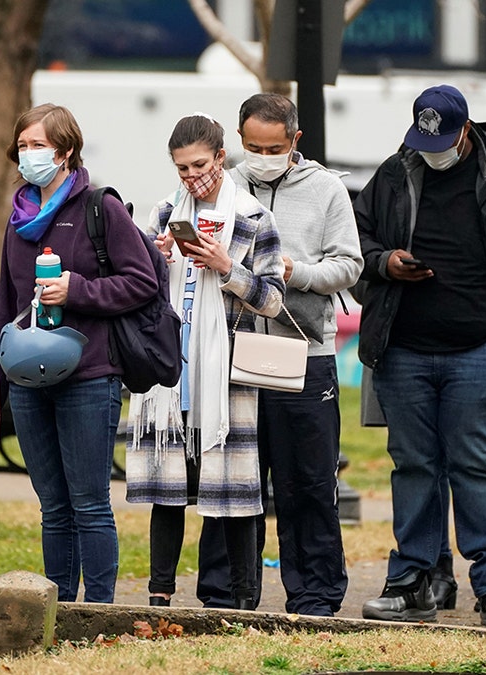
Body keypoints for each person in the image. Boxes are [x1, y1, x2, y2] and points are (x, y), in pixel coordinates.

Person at [353, 84, 486, 628]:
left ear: (466, 131)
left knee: (476, 466)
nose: (434, 150)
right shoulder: (394, 173)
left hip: (481, 350)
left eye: (444, 140)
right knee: (414, 467)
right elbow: (358, 243)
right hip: (404, 350)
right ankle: (411, 584)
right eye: (424, 141)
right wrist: (386, 264)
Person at [196, 93, 362, 615]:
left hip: (304, 352)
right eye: (251, 146)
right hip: (229, 349)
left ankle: (315, 595)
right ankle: (225, 595)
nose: (261, 155)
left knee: (308, 482)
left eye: (273, 146)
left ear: (296, 140)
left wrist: (296, 272)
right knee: (230, 481)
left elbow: (349, 266)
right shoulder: (222, 186)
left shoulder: (327, 189)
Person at [0, 104, 159, 604]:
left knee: (89, 504)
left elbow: (142, 282)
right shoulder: (19, 217)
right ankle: (58, 609)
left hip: (89, 375)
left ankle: (98, 610)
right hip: (27, 380)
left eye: (38, 145)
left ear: (65, 151)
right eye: (22, 146)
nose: (28, 155)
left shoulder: (99, 208)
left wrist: (77, 291)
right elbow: (7, 302)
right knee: (52, 507)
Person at [124, 113, 284, 611]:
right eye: (181, 168)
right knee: (166, 489)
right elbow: (138, 288)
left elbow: (274, 300)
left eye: (199, 165)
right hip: (171, 373)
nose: (192, 177)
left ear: (221, 156)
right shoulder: (167, 210)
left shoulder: (255, 217)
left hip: (229, 375)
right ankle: (160, 595)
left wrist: (226, 268)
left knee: (234, 489)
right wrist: (157, 258)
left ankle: (241, 600)